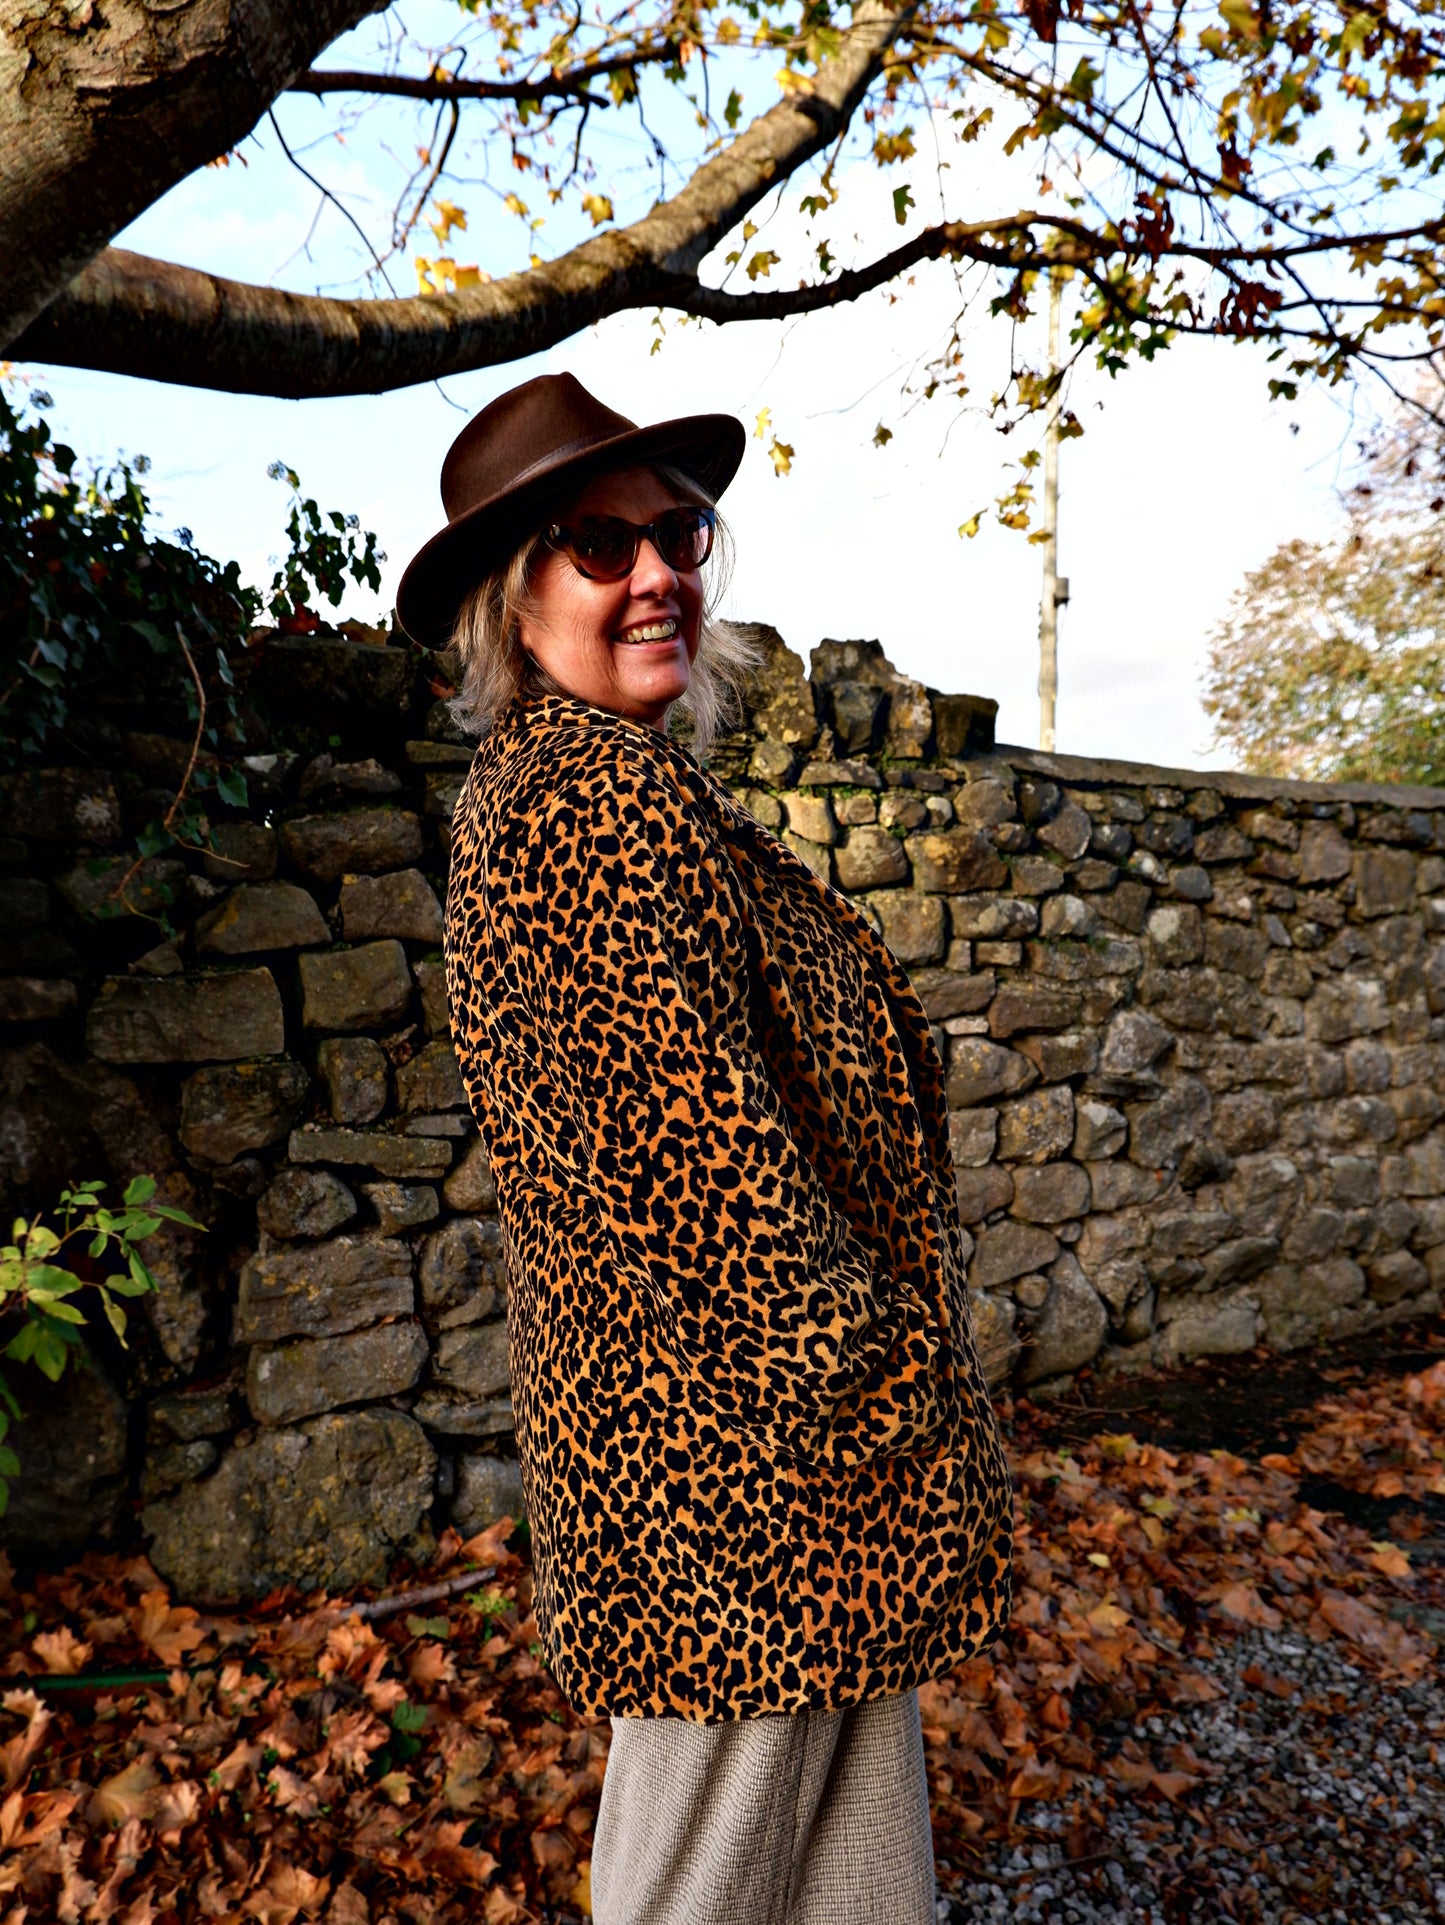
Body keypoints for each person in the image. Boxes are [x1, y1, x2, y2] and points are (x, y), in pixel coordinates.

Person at [396, 373, 1013, 1925]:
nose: (658, 572)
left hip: (791, 1475)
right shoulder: (578, 809)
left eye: (680, 531)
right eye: (598, 546)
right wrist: (875, 1380)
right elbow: (692, 1160)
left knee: (853, 1889)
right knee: (700, 1895)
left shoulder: (634, 794)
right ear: (511, 599)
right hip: (733, 1480)